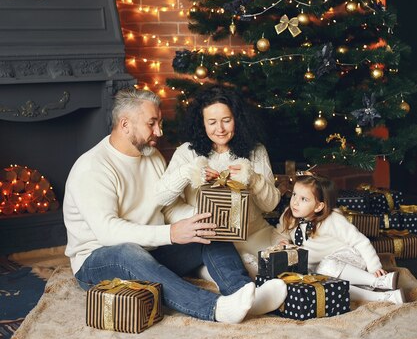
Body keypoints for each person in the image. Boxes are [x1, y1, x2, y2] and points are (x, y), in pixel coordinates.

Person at [63, 87, 287, 324]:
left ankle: (244, 294)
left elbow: (166, 204)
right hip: (99, 259)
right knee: (126, 251)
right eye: (151, 124)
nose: (159, 132)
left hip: (152, 250)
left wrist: (194, 222)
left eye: (159, 122)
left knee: (208, 228)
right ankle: (214, 308)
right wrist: (171, 233)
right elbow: (108, 233)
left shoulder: (153, 156)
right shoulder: (93, 168)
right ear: (125, 124)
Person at [153, 84, 281, 278]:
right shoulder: (187, 152)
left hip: (254, 235)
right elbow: (161, 198)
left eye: (226, 120)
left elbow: (270, 204)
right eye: (212, 122)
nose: (220, 129)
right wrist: (190, 172)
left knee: (282, 268)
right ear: (202, 123)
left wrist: (253, 179)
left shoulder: (256, 151)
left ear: (237, 120)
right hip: (208, 241)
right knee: (244, 273)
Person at [275, 173, 404, 304]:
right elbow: (282, 232)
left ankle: (379, 281)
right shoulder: (289, 216)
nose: (295, 202)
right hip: (322, 270)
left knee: (324, 267)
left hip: (347, 261)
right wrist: (284, 241)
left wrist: (375, 267)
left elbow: (360, 241)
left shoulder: (332, 220)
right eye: (294, 195)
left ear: (319, 206)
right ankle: (385, 298)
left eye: (304, 199)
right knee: (324, 286)